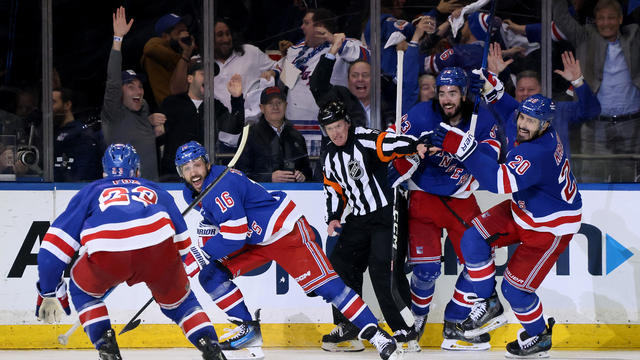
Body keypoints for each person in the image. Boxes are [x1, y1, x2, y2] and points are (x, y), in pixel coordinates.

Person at [175, 141, 400, 360]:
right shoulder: (195, 192)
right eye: (187, 168)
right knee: (211, 275)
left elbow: (234, 235)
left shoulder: (219, 186)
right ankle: (248, 330)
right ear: (180, 173)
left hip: (284, 232)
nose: (193, 172)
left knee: (330, 289)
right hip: (254, 239)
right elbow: (224, 223)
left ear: (206, 164)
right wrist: (206, 244)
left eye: (196, 164)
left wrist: (204, 252)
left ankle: (379, 336)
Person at [35, 144, 226, 360]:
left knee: (83, 291)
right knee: (182, 303)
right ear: (137, 171)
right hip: (159, 251)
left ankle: (106, 345)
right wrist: (173, 279)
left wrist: (48, 291)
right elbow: (182, 243)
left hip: (109, 254)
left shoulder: (90, 191)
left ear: (104, 172)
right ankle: (209, 344)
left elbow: (52, 250)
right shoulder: (156, 191)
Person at [431, 93, 582, 358]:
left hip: (549, 229)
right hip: (525, 209)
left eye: (531, 120)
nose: (523, 123)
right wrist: (495, 90)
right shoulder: (534, 131)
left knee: (516, 291)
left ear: (545, 125)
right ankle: (488, 302)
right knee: (472, 239)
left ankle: (539, 337)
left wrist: (464, 148)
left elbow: (497, 183)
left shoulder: (538, 151)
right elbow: (512, 110)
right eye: (523, 117)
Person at [390, 67, 502, 351]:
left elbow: (492, 162)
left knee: (480, 263)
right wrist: (414, 146)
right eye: (442, 93)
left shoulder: (482, 117)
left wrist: (467, 149)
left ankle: (454, 323)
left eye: (453, 93)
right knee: (425, 271)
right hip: (422, 198)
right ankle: (416, 318)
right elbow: (390, 144)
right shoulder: (420, 114)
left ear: (464, 94)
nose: (446, 99)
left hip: (462, 198)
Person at [319, 101, 428, 352]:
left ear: (347, 123)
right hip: (359, 217)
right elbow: (333, 188)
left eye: (338, 126)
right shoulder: (329, 154)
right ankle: (349, 324)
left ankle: (404, 330)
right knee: (340, 263)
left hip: (387, 212)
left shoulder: (364, 138)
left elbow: (389, 144)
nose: (335, 132)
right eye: (329, 128)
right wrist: (334, 216)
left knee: (384, 269)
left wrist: (414, 145)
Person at [553, 0, 640, 182]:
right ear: (595, 20)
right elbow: (561, 17)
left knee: (626, 182)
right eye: (601, 18)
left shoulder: (634, 37)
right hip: (595, 125)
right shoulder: (585, 36)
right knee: (593, 178)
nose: (606, 23)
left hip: (631, 124)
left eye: (611, 18)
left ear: (620, 19)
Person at [482, 43, 601, 159]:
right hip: (518, 177)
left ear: (541, 92)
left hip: (553, 177)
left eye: (531, 90)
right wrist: (492, 76)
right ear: (515, 92)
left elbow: (591, 111)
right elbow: (484, 115)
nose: (525, 93)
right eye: (521, 89)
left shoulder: (557, 111)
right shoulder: (508, 113)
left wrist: (578, 81)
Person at [278, 8, 368, 158]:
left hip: (328, 128)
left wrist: (335, 41)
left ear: (320, 26)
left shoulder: (342, 45)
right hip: (295, 130)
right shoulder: (296, 50)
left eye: (306, 23)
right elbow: (285, 83)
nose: (301, 27)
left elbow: (368, 58)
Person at [102, 7, 166, 181]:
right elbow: (113, 80)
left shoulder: (143, 108)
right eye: (131, 87)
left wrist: (152, 126)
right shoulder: (113, 112)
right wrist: (118, 39)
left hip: (151, 192)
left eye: (140, 86)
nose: (138, 91)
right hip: (124, 191)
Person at [159, 58, 245, 180]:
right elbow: (158, 135)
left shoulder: (215, 106)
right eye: (203, 74)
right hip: (174, 175)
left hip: (205, 176)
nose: (208, 79)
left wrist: (237, 98)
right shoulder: (172, 103)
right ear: (190, 78)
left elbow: (234, 128)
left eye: (211, 76)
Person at [236, 86, 312, 183]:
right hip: (260, 195)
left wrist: (303, 176)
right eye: (270, 103)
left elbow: (308, 172)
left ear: (286, 105)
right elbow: (240, 174)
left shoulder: (297, 137)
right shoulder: (248, 136)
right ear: (262, 108)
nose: (275, 107)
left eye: (279, 103)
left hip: (294, 196)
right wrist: (269, 178)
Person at [213, 18, 277, 121]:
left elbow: (279, 68)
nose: (226, 39)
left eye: (228, 34)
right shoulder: (201, 64)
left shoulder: (250, 51)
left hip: (256, 124)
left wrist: (272, 72)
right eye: (220, 35)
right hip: (224, 129)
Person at [141, 12, 195, 105]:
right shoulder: (156, 42)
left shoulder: (175, 49)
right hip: (171, 106)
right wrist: (184, 61)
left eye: (184, 26)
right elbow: (149, 48)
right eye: (179, 28)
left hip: (182, 103)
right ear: (166, 34)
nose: (185, 29)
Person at [53, 87, 105, 182]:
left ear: (67, 105)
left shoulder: (81, 135)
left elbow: (82, 175)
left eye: (53, 102)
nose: (48, 108)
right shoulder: (53, 132)